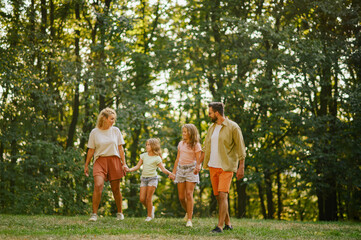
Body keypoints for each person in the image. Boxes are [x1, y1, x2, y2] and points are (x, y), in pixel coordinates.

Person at [194, 102, 246, 233]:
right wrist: (198, 163)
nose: (209, 115)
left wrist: (241, 167)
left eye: (210, 113)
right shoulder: (211, 128)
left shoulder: (233, 127)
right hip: (213, 166)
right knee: (218, 197)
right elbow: (205, 148)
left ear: (217, 113)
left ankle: (220, 226)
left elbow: (241, 147)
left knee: (223, 195)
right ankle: (228, 223)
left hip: (226, 166)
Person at [84, 107, 128, 222]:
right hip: (100, 161)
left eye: (114, 119)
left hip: (114, 160)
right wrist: (86, 165)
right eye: (111, 119)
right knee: (98, 185)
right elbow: (91, 150)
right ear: (104, 118)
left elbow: (120, 149)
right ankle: (94, 214)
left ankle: (120, 213)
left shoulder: (116, 131)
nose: (113, 121)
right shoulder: (94, 132)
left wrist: (124, 164)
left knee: (116, 189)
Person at [127, 138, 175, 222]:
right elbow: (137, 166)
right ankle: (151, 208)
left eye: (148, 145)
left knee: (148, 198)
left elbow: (163, 169)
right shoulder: (143, 155)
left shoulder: (157, 158)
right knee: (142, 199)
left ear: (153, 146)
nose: (146, 146)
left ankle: (149, 216)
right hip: (144, 179)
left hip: (152, 179)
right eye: (146, 144)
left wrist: (170, 173)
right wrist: (129, 170)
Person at [172, 124, 202, 227]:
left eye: (185, 132)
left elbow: (199, 159)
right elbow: (177, 159)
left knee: (189, 194)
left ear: (191, 133)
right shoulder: (181, 144)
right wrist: (173, 172)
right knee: (181, 197)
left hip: (191, 170)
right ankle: (188, 212)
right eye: (183, 132)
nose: (183, 134)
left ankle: (189, 219)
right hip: (181, 170)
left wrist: (198, 167)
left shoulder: (196, 145)